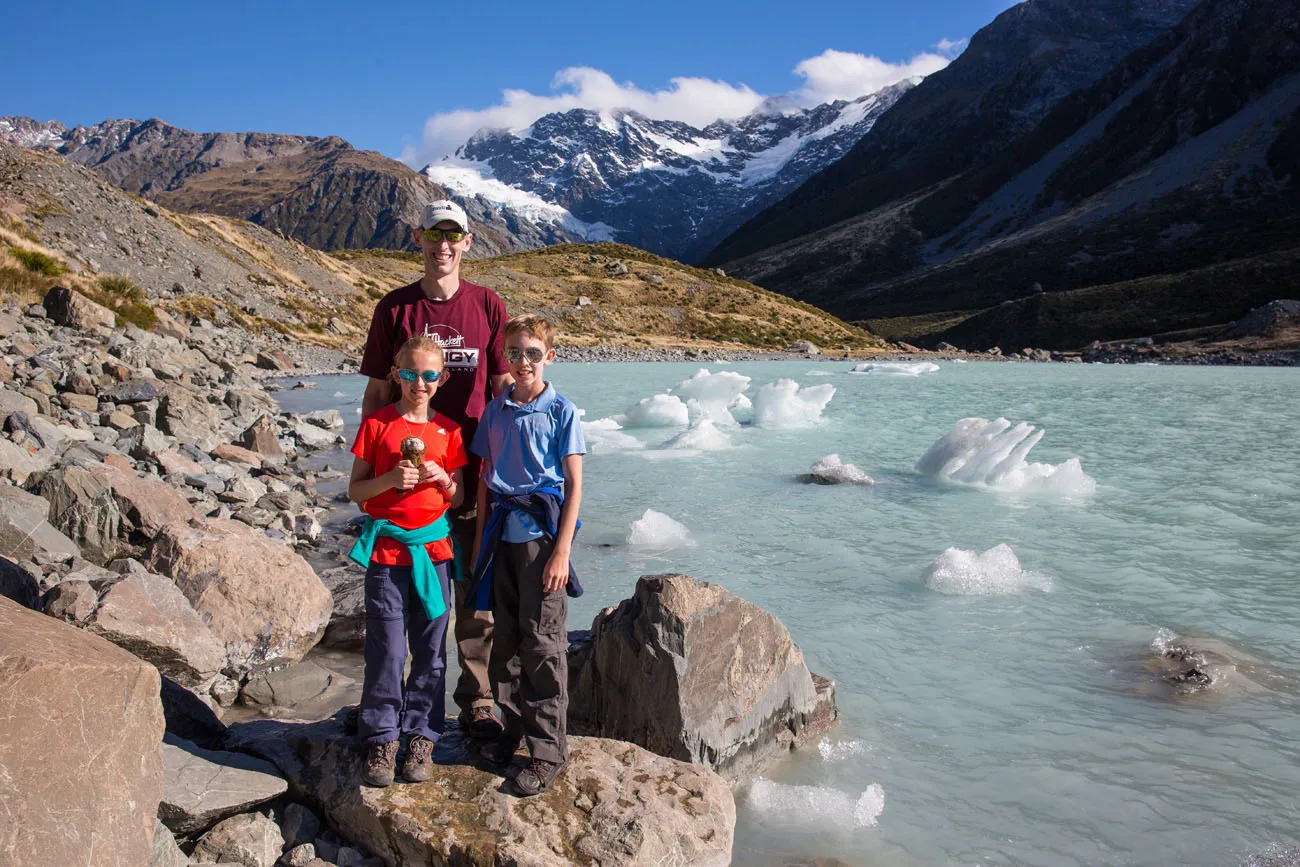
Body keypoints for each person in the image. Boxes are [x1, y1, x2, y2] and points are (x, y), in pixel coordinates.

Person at [359, 200, 510, 742]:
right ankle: (391, 706)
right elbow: (378, 391)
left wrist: (502, 462)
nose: (442, 245)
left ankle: (476, 700)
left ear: (469, 242)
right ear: (418, 239)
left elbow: (499, 390)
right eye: (433, 234)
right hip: (404, 480)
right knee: (401, 599)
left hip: (467, 471)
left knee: (472, 586)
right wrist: (370, 467)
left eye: (454, 235)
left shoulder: (488, 306)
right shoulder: (394, 309)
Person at [471, 314, 585, 797]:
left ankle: (547, 753)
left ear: (549, 357)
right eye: (514, 353)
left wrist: (562, 551)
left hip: (541, 540)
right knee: (506, 643)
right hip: (502, 538)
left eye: (532, 353)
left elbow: (575, 484)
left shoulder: (562, 411)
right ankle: (513, 732)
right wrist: (479, 545)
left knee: (542, 645)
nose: (523, 362)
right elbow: (483, 480)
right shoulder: (495, 412)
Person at [347, 336, 466, 787]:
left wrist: (445, 483)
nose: (421, 382)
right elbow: (356, 492)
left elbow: (460, 498)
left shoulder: (450, 432)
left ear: (443, 378)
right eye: (412, 373)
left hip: (434, 554)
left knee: (432, 650)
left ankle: (421, 735)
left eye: (430, 374)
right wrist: (391, 479)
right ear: (396, 374)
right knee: (388, 648)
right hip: (387, 553)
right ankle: (381, 738)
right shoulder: (377, 425)